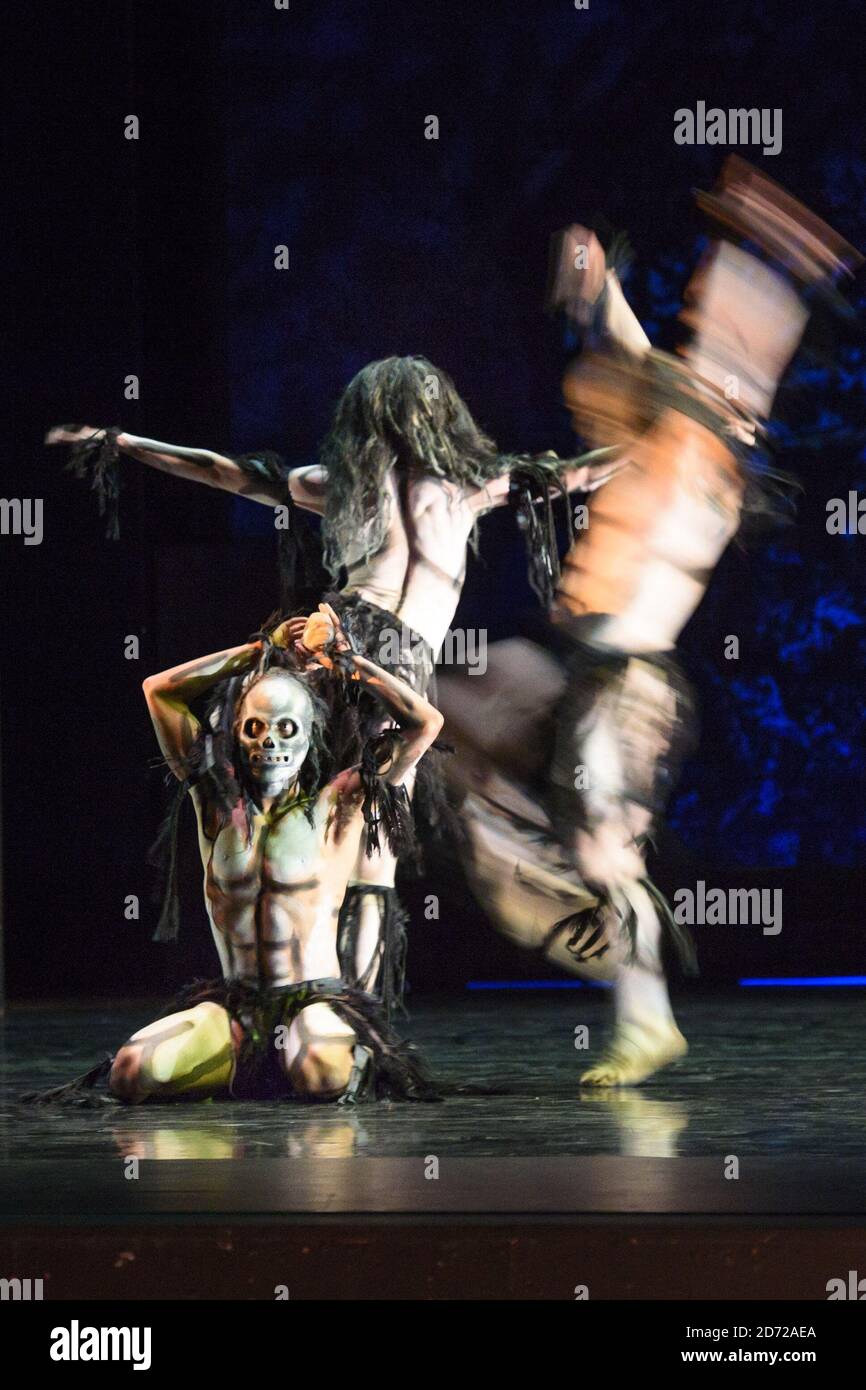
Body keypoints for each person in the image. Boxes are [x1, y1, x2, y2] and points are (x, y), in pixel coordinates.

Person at [441, 159, 861, 1086]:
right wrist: (604, 282)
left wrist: (630, 281)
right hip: (577, 663)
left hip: (629, 686)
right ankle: (494, 842)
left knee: (601, 842)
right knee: (443, 693)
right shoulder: (664, 426)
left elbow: (672, 355)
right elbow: (638, 360)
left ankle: (646, 1019)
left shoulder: (702, 445)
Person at [47, 357, 622, 1004]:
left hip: (345, 648)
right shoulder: (446, 485)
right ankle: (335, 1011)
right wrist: (125, 444)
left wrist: (123, 443)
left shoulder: (376, 485)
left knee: (348, 836)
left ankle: (318, 1004)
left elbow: (224, 471)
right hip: (367, 658)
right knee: (367, 849)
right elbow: (226, 471)